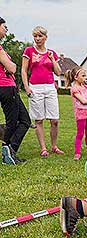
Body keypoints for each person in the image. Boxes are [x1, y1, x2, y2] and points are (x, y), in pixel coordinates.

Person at [21, 26, 63, 157]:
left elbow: (58, 72)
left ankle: (54, 146)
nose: (37, 39)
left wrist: (52, 59)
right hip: (35, 88)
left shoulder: (52, 53)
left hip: (50, 87)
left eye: (40, 36)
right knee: (39, 120)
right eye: (35, 36)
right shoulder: (29, 51)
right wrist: (26, 87)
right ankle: (43, 148)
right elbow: (23, 70)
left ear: (46, 37)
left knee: (54, 120)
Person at [0, 17, 31, 165]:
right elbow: (13, 68)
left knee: (25, 120)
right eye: (4, 26)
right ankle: (7, 152)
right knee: (12, 122)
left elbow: (10, 67)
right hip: (5, 87)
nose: (6, 29)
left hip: (10, 86)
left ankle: (11, 150)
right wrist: (10, 66)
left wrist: (9, 66)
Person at [64, 66, 87, 160]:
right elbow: (83, 101)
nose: (85, 78)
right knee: (80, 134)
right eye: (83, 76)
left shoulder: (86, 87)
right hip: (81, 114)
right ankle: (77, 152)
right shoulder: (74, 89)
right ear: (76, 77)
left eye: (85, 75)